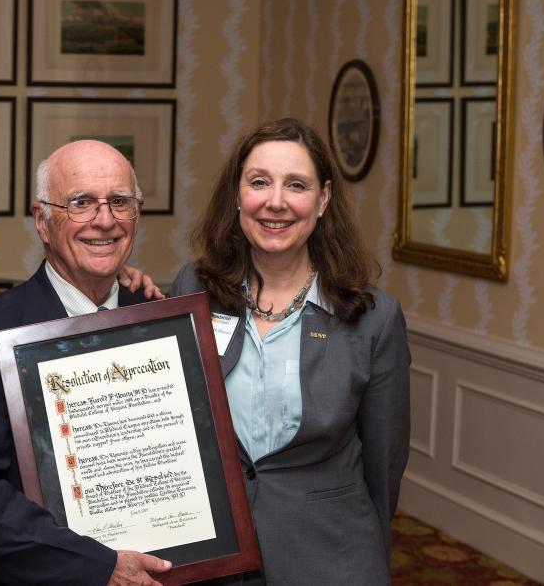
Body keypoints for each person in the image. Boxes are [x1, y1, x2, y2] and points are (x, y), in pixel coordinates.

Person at [171, 118, 410, 585]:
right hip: (215, 555)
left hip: (329, 555)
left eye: (295, 185)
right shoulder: (193, 288)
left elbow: (384, 469)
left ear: (322, 200)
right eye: (259, 182)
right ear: (237, 194)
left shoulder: (373, 318)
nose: (275, 202)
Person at [0, 140, 173, 586]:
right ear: (42, 221)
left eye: (119, 202)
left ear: (137, 215)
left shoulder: (163, 318)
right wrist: (98, 567)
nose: (104, 221)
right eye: (80, 203)